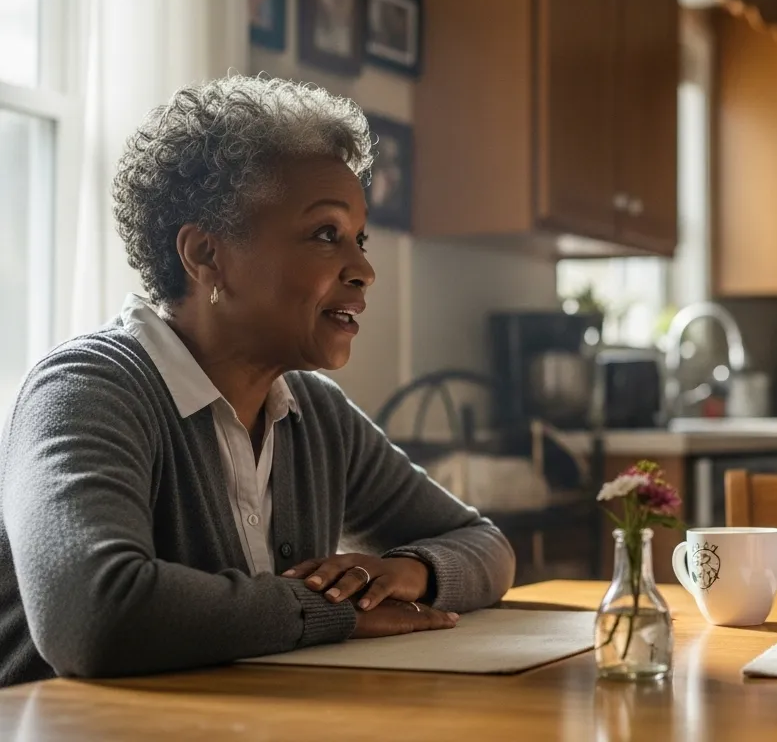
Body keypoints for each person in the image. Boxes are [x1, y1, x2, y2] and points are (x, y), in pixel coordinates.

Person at [0, 75, 516, 687]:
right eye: (326, 234)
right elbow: (91, 615)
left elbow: (484, 543)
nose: (365, 270)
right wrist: (330, 610)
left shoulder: (317, 413)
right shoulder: (88, 389)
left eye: (360, 238)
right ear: (205, 255)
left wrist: (413, 571)